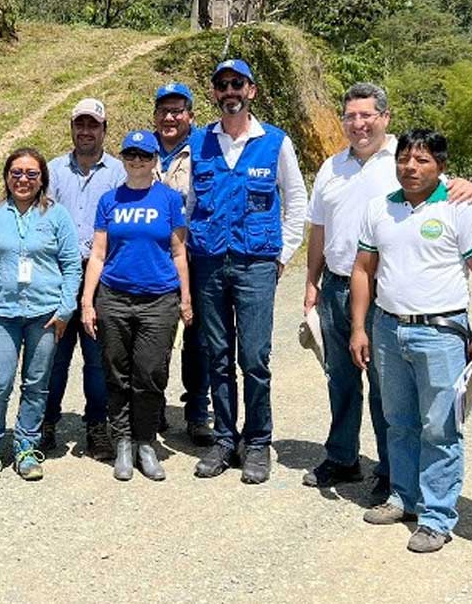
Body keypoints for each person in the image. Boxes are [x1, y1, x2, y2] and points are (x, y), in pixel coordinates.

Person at [302, 83, 472, 501]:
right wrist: (312, 281)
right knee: (340, 378)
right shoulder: (332, 167)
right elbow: (319, 229)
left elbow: (446, 189)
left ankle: (390, 468)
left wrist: (466, 185)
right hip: (337, 286)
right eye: (350, 116)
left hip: (385, 292)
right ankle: (343, 456)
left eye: (367, 116)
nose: (358, 124)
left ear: (385, 117)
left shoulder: (404, 159)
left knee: (387, 387)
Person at [349, 129, 472, 554]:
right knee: (399, 422)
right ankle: (403, 497)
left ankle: (436, 517)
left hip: (441, 333)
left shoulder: (460, 207)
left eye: (423, 160)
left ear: (441, 166)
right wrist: (360, 327)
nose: (411, 167)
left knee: (441, 427)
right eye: (404, 159)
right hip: (388, 328)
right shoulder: (381, 208)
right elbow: (363, 270)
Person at [188, 59, 307, 483]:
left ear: (251, 90)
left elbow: (296, 203)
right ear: (215, 93)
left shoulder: (275, 142)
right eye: (222, 85)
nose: (229, 91)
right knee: (216, 356)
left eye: (237, 83)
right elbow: (190, 206)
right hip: (209, 263)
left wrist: (281, 256)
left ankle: (257, 441)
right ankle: (224, 438)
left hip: (256, 264)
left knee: (254, 358)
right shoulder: (199, 141)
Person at [81, 130, 192, 482]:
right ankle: (123, 442)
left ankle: (146, 441)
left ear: (154, 159)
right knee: (116, 373)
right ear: (124, 157)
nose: (137, 161)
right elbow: (98, 254)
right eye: (131, 155)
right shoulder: (109, 199)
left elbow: (178, 252)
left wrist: (185, 299)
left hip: (159, 299)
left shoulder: (170, 199)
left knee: (150, 374)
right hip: (114, 297)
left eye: (144, 155)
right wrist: (87, 300)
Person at [0, 148, 80, 484]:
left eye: (32, 174)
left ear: (42, 179)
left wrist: (65, 310)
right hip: (2, 313)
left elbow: (72, 265)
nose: (23, 179)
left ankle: (26, 447)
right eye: (17, 172)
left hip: (45, 314)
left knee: (37, 384)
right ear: (6, 176)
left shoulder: (57, 216)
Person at [44, 97, 126, 460]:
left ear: (104, 129)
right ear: (72, 128)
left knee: (97, 359)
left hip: (101, 276)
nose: (86, 131)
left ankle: (97, 426)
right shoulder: (53, 170)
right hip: (59, 275)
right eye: (80, 124)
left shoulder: (120, 173)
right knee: (53, 357)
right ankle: (45, 423)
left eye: (93, 125)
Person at [152, 82, 212, 446]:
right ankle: (153, 404)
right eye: (164, 111)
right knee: (155, 337)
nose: (170, 117)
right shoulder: (143, 149)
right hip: (154, 258)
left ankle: (197, 412)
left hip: (196, 253)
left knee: (198, 339)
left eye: (177, 111)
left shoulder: (206, 147)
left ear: (190, 115)